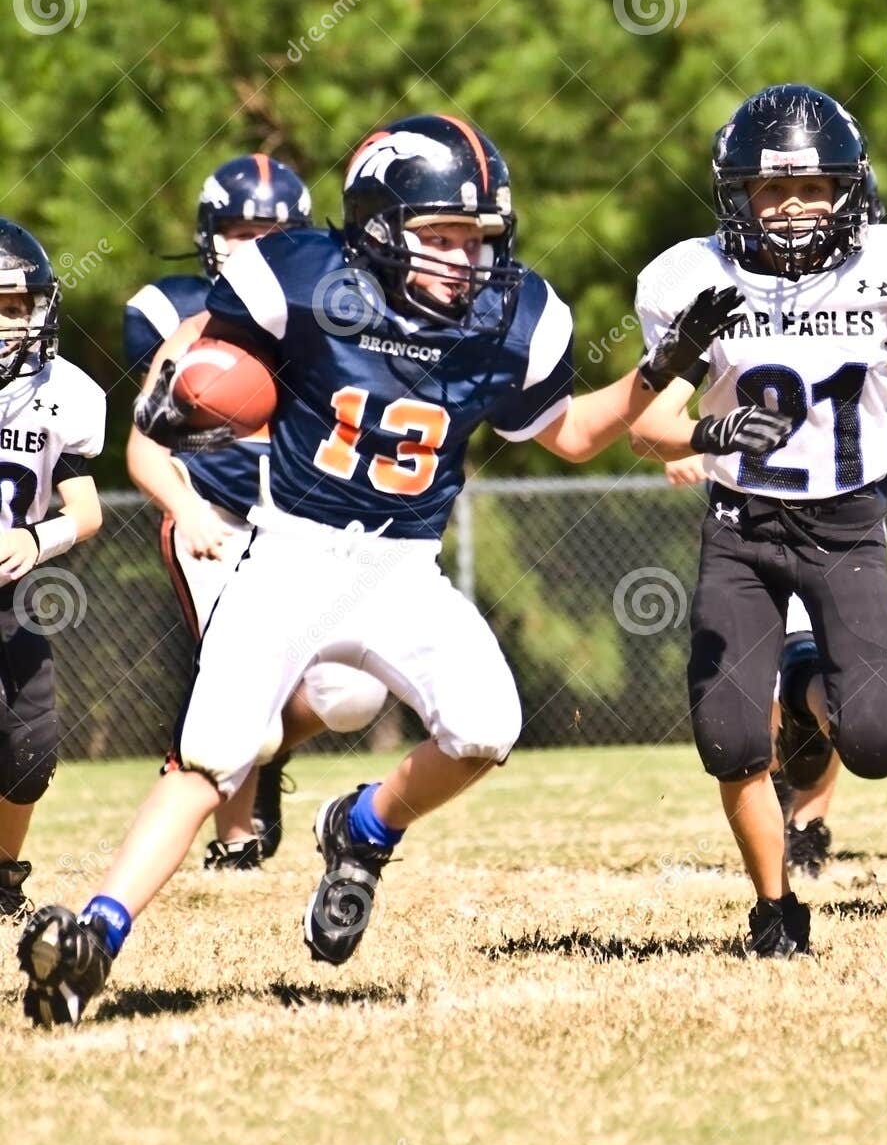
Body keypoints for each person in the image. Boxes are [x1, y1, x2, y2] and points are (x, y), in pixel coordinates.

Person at [16, 113, 751, 1028]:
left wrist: (662, 365)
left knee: (487, 724)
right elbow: (201, 368)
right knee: (211, 754)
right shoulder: (301, 275)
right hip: (289, 553)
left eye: (477, 237)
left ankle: (362, 828)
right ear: (376, 224)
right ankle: (95, 936)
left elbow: (571, 433)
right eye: (441, 235)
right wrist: (188, 392)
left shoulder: (508, 315)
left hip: (405, 567)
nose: (464, 259)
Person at [629, 84, 887, 956]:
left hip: (846, 525)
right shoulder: (698, 278)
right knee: (730, 736)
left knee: (879, 738)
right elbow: (645, 426)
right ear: (737, 196)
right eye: (772, 190)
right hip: (743, 529)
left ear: (851, 191)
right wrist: (708, 430)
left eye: (812, 188)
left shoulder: (883, 267)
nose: (794, 208)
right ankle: (775, 911)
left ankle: (810, 707)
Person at [123, 154, 388, 869]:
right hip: (212, 516)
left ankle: (264, 759)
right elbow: (144, 448)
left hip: (302, 528)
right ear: (211, 234)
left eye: (273, 231)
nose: (254, 245)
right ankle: (235, 841)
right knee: (243, 698)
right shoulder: (171, 312)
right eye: (240, 230)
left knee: (354, 694)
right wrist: (185, 504)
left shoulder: (331, 316)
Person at [0, 221, 105, 921]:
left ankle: (3, 875)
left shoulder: (64, 391)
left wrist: (35, 543)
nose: (9, 325)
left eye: (15, 306)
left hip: (13, 591)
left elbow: (87, 512)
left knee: (32, 752)